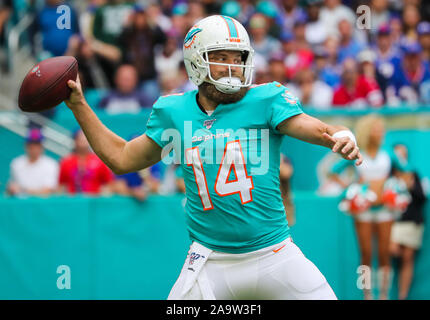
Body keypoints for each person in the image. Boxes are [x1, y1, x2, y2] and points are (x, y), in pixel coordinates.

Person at [64, 15, 363, 300]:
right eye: (222, 57)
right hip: (209, 260)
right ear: (196, 60)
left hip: (274, 253)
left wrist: (341, 135)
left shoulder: (265, 100)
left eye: (238, 58)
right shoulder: (174, 112)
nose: (233, 67)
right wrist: (78, 105)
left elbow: (316, 127)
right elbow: (121, 158)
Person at [328, 114, 392, 300]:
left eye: (381, 129)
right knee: (365, 253)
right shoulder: (357, 151)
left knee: (384, 253)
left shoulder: (388, 153)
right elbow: (333, 172)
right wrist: (352, 188)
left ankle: (384, 295)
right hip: (363, 211)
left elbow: (406, 171)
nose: (380, 133)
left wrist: (390, 186)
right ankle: (367, 294)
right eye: (376, 129)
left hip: (385, 209)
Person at [389, 143, 427, 300]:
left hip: (412, 222)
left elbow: (422, 198)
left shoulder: (413, 174)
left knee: (407, 258)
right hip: (393, 222)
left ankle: (402, 296)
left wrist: (411, 186)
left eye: (403, 154)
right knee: (392, 250)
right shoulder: (387, 175)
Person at [58, 129, 114, 195]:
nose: (83, 141)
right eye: (80, 138)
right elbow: (61, 185)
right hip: (73, 202)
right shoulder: (66, 161)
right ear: (75, 140)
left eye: (85, 138)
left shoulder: (99, 161)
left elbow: (109, 183)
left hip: (94, 202)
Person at [7, 129, 59, 197]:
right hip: (21, 205)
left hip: (42, 205)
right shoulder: (16, 163)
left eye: (37, 144)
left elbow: (48, 191)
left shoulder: (51, 164)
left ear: (42, 146)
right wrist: (11, 189)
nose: (34, 148)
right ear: (26, 146)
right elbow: (11, 187)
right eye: (31, 144)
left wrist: (23, 190)